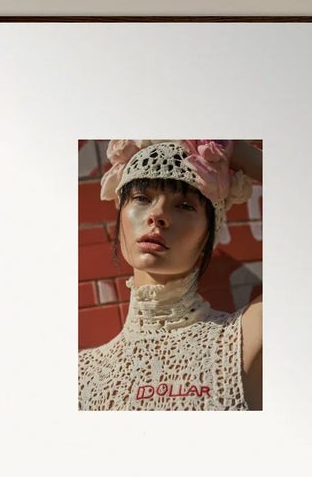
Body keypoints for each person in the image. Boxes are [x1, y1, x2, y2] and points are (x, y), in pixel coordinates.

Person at [79, 139, 263, 411]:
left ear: (208, 236)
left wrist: (230, 145)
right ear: (120, 220)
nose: (157, 214)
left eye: (185, 205)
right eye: (142, 198)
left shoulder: (243, 341)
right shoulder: (82, 374)